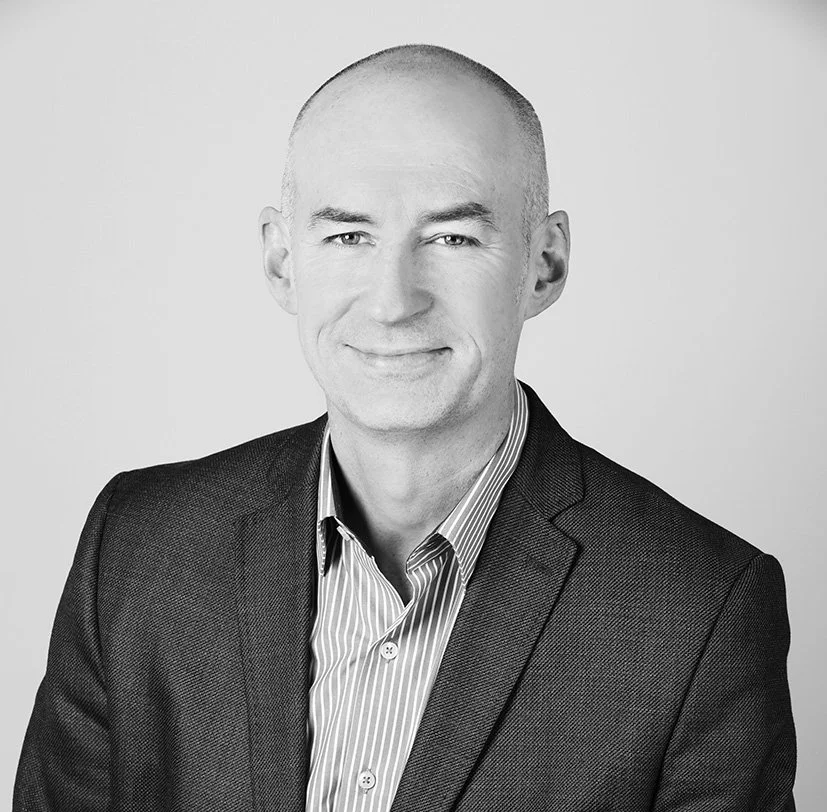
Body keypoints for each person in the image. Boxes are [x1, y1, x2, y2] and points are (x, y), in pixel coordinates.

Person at [14, 44, 796, 812]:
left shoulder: (701, 609)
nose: (393, 301)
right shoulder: (137, 548)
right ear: (282, 262)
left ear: (544, 263)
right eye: (348, 235)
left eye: (451, 238)